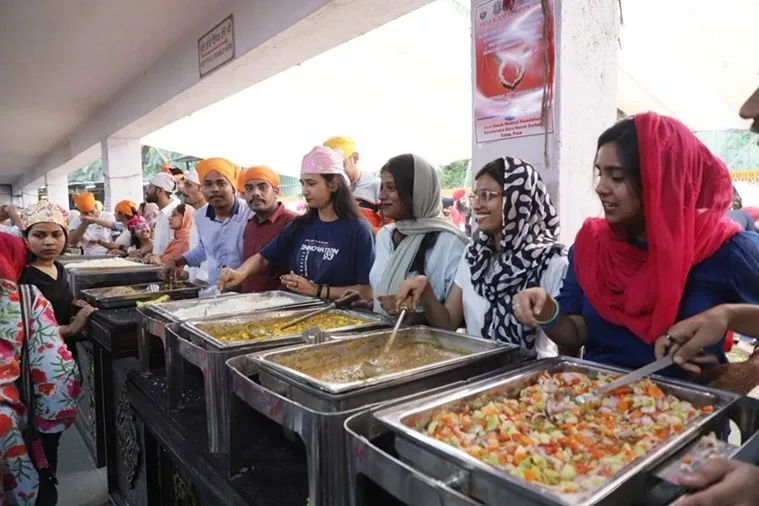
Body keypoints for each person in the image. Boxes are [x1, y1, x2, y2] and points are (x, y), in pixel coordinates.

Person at [512, 112, 759, 378]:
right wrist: (548, 310)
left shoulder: (724, 250)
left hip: (689, 413)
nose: (601, 188)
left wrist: (730, 319)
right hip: (598, 411)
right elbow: (576, 334)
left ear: (660, 181)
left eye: (616, 177)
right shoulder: (591, 248)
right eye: (600, 174)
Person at [397, 157, 566, 357]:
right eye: (475, 196)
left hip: (534, 380)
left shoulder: (551, 261)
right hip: (479, 373)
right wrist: (426, 292)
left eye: (487, 195)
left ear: (518, 198)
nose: (477, 205)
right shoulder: (474, 255)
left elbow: (568, 343)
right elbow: (449, 321)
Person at [218, 146, 375, 301]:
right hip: (299, 313)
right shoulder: (301, 225)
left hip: (340, 319)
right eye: (303, 183)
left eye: (311, 183)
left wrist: (317, 290)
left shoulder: (357, 230)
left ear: (333, 185)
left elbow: (367, 292)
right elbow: (264, 258)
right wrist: (240, 273)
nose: (305, 191)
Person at [0, 233, 80, 505]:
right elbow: (55, 371)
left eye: (56, 235)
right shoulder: (23, 298)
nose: (49, 241)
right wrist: (49, 431)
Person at [370, 154, 467, 320]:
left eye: (391, 188)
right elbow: (381, 292)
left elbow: (457, 319)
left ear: (417, 192)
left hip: (427, 343)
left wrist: (413, 315)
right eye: (381, 188)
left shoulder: (452, 244)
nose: (381, 196)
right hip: (378, 337)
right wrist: (368, 305)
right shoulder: (385, 236)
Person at [165, 157, 252, 285]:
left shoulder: (250, 213)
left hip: (249, 293)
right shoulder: (201, 216)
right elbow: (203, 251)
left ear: (233, 187)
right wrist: (176, 262)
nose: (214, 189)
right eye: (208, 184)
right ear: (202, 189)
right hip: (216, 291)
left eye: (221, 183)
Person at [19, 201, 97, 343]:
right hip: (43, 355)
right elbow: (25, 326)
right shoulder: (23, 275)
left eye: (56, 235)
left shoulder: (58, 267)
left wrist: (73, 305)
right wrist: (70, 329)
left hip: (66, 349)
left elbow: (58, 299)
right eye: (39, 235)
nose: (49, 241)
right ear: (26, 238)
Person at [239, 165, 296, 292]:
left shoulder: (292, 222)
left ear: (276, 191)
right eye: (249, 188)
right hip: (248, 302)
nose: (255, 193)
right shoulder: (250, 225)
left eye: (262, 187)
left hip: (280, 305)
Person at [323, 136, 384, 233]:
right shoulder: (328, 190)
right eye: (331, 168)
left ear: (355, 158)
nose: (337, 172)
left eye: (341, 165)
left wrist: (361, 230)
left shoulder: (378, 187)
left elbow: (390, 233)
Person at [180, 169, 208, 283]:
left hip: (207, 285)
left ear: (202, 189)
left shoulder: (211, 215)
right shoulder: (196, 214)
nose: (183, 190)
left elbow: (212, 254)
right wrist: (186, 270)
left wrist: (200, 280)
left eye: (188, 185)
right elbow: (196, 250)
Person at [145, 172, 180, 256]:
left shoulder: (175, 213)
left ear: (160, 191)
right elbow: (161, 245)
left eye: (150, 188)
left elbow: (178, 247)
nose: (147, 191)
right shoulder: (162, 212)